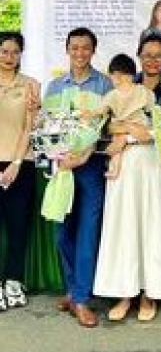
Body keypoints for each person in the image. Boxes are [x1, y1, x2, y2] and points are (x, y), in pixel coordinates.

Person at [93, 53, 161, 322]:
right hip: (123, 165)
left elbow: (158, 127)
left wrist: (134, 134)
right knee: (123, 225)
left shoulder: (148, 96)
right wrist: (124, 131)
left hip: (150, 163)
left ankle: (151, 293)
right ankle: (124, 294)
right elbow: (104, 126)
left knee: (153, 224)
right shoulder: (113, 97)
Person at [45, 27, 112, 328]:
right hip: (62, 168)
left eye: (86, 48)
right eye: (75, 47)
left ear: (93, 51)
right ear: (68, 50)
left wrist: (84, 154)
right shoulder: (55, 86)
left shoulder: (104, 84)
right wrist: (58, 156)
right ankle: (72, 289)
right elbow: (47, 127)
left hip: (91, 167)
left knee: (88, 232)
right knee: (62, 233)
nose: (80, 53)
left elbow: (107, 128)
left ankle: (82, 299)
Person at [0, 32, 39, 311]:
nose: (9, 57)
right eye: (4, 51)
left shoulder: (30, 85)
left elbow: (29, 127)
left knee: (17, 226)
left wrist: (15, 163)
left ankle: (13, 281)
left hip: (20, 164)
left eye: (15, 52)